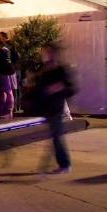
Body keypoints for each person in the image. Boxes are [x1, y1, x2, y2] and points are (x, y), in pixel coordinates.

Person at [33, 43, 76, 174]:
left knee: (56, 135)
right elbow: (40, 88)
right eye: (44, 52)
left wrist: (59, 87)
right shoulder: (45, 70)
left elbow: (71, 89)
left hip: (56, 106)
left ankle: (64, 164)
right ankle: (63, 163)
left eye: (48, 52)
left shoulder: (60, 70)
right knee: (55, 135)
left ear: (54, 54)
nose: (45, 54)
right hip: (47, 107)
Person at [0, 32, 16, 119]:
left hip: (5, 71)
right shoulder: (6, 46)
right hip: (8, 70)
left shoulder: (0, 48)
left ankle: (9, 111)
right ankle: (4, 111)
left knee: (8, 91)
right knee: (4, 91)